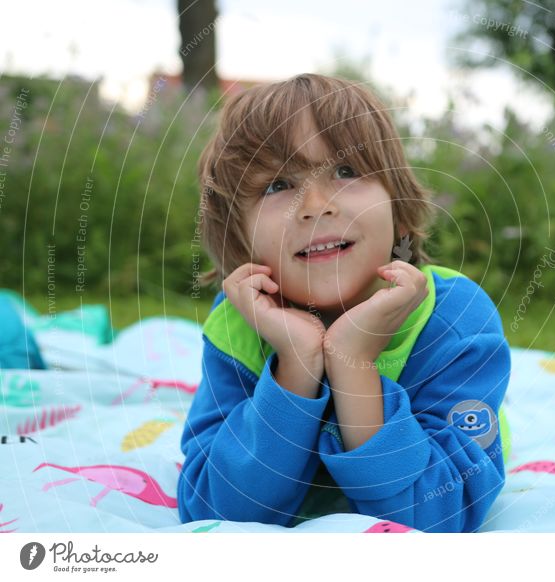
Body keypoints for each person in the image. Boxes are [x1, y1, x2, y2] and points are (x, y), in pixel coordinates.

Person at [177, 73, 512, 533]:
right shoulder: (238, 325)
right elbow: (212, 510)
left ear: (398, 203)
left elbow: (441, 515)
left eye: (347, 171)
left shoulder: (452, 320)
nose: (315, 205)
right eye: (277, 185)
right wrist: (294, 364)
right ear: (240, 239)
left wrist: (353, 363)